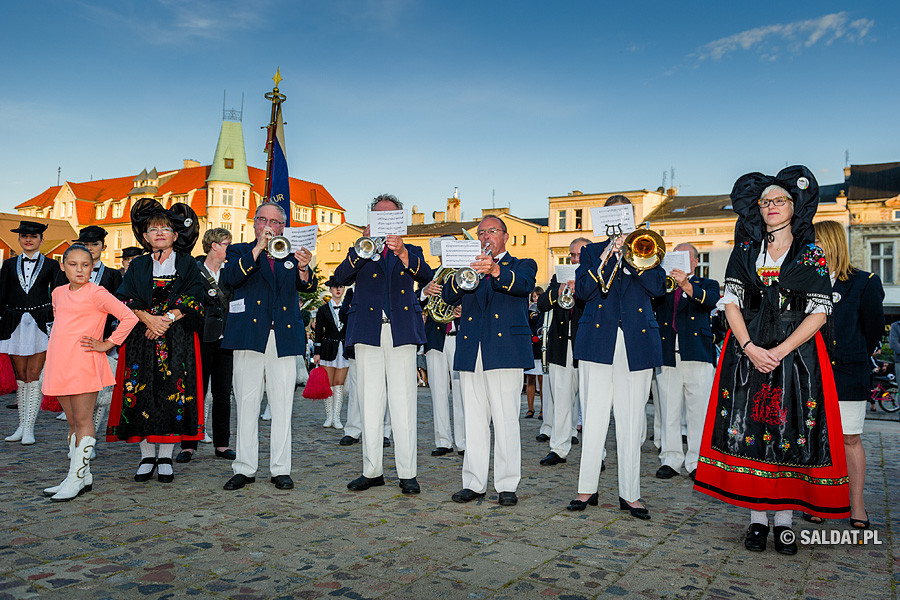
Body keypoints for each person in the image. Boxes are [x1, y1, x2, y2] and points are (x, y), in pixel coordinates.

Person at [693, 166, 849, 555]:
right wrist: (749, 347)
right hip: (747, 352)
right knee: (752, 432)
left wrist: (780, 351)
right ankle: (758, 521)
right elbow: (731, 303)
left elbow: (819, 313)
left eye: (780, 200)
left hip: (797, 357)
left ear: (795, 207)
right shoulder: (745, 250)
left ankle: (785, 523)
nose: (772, 206)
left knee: (790, 432)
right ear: (758, 209)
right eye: (765, 201)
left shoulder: (811, 253)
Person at [569, 195, 665, 518]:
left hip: (636, 341)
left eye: (623, 215)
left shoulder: (646, 246)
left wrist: (632, 258)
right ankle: (586, 489)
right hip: (598, 339)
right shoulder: (591, 251)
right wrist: (609, 255)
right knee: (593, 415)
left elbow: (658, 288)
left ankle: (630, 494)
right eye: (611, 216)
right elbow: (584, 291)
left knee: (632, 419)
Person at [334, 194, 433, 494]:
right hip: (368, 331)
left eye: (389, 215)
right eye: (378, 215)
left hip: (401, 331)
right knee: (370, 402)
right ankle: (372, 470)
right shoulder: (361, 248)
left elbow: (426, 276)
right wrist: (361, 247)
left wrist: (402, 252)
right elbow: (340, 277)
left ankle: (407, 473)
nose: (384, 220)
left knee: (404, 402)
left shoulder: (411, 250)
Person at [107, 199, 206, 484]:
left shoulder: (187, 264)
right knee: (141, 394)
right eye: (153, 229)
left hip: (178, 340)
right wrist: (148, 320)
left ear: (175, 234)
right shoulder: (138, 265)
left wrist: (166, 320)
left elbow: (195, 298)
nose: (159, 233)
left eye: (165, 228)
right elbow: (125, 299)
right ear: (145, 236)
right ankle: (146, 456)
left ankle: (165, 457)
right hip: (141, 339)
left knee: (171, 394)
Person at [220, 202, 316, 491]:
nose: (268, 226)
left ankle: (280, 469)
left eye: (274, 222)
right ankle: (244, 468)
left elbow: (307, 287)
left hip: (282, 336)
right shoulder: (239, 251)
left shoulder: (291, 254)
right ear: (254, 223)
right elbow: (230, 279)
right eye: (263, 220)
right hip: (249, 335)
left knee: (282, 403)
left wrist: (304, 267)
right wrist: (258, 249)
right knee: (246, 402)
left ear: (283, 227)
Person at [443, 215, 537, 506]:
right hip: (472, 350)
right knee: (474, 421)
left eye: (492, 231)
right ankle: (474, 482)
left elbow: (523, 286)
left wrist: (495, 270)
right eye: (481, 232)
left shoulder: (522, 264)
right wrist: (464, 272)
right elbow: (448, 295)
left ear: (505, 236)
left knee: (506, 420)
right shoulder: (468, 267)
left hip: (505, 350)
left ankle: (507, 485)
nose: (485, 237)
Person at [40, 245, 138, 501]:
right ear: (63, 266)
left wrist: (108, 343)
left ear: (93, 266)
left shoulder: (97, 293)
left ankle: (75, 478)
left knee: (83, 420)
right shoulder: (58, 293)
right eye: (73, 264)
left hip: (84, 363)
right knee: (72, 422)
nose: (79, 270)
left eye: (85, 265)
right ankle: (81, 476)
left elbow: (129, 317)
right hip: (60, 363)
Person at [805, 220, 884, 529]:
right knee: (814, 438)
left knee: (849, 438)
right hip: (811, 372)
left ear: (831, 243)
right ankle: (818, 500)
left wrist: (853, 355)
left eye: (816, 243)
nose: (812, 249)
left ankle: (857, 505)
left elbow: (873, 330)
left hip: (848, 372)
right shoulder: (805, 281)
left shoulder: (864, 282)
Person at [653, 243, 719, 481]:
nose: (678, 260)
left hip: (697, 353)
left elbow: (711, 301)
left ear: (695, 262)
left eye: (684, 256)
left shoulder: (707, 284)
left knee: (697, 412)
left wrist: (686, 285)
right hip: (668, 354)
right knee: (668, 409)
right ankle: (670, 459)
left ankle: (696, 461)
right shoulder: (664, 285)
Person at [175, 228, 236, 464]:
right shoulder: (194, 270)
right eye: (226, 244)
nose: (229, 248)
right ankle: (188, 445)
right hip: (200, 338)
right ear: (213, 245)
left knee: (223, 394)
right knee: (194, 392)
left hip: (226, 339)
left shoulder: (230, 272)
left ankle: (222, 444)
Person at [1, 221, 63, 445]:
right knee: (21, 377)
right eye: (24, 236)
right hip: (14, 322)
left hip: (40, 323)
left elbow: (59, 294)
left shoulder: (51, 265)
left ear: (41, 240)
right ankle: (21, 425)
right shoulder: (9, 264)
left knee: (34, 375)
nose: (28, 240)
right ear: (19, 239)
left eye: (33, 236)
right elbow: (2, 293)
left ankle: (29, 428)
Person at [536, 238, 589, 466]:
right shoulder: (558, 277)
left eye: (579, 255)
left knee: (590, 403)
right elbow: (542, 304)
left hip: (585, 347)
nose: (574, 259)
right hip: (560, 346)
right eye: (572, 255)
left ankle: (595, 452)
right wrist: (558, 290)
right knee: (560, 400)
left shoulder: (594, 277)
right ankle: (558, 448)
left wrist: (581, 289)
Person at [73, 226, 124, 451]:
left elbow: (119, 310)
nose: (90, 248)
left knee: (97, 392)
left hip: (100, 338)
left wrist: (110, 340)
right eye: (85, 244)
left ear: (103, 247)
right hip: (73, 338)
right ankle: (76, 439)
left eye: (94, 244)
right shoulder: (68, 272)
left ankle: (88, 442)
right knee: (76, 391)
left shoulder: (112, 275)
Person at [421, 284, 465, 457]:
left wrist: (465, 308)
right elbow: (416, 300)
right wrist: (424, 292)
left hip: (459, 338)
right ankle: (442, 441)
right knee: (438, 392)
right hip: (435, 338)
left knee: (461, 392)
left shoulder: (466, 274)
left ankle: (463, 441)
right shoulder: (431, 276)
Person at [313, 278, 350, 430]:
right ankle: (329, 416)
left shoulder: (348, 308)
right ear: (330, 290)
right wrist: (316, 353)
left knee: (339, 384)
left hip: (343, 349)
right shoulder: (322, 310)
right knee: (328, 384)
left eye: (340, 287)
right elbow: (318, 332)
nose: (338, 290)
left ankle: (337, 417)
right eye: (335, 287)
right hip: (328, 348)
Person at [524, 287, 545, 418]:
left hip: (540, 346)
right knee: (530, 378)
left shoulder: (544, 310)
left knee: (542, 380)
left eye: (537, 296)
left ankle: (543, 409)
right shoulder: (528, 310)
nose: (535, 298)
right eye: (533, 296)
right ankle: (530, 408)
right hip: (530, 345)